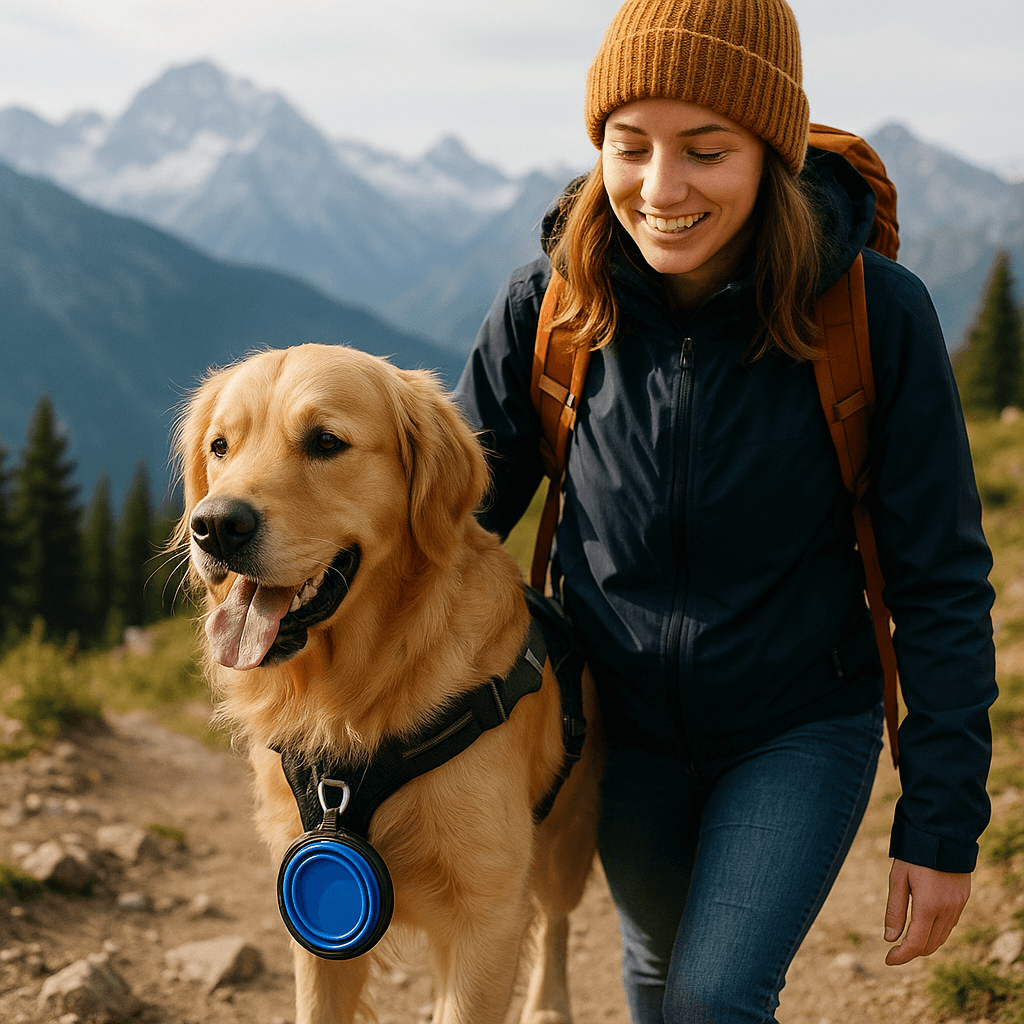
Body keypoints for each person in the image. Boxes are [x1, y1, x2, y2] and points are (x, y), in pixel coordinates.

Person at [454, 0, 998, 1020]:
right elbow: (448, 527)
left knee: (711, 997)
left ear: (771, 152)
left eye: (706, 150)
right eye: (630, 146)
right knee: (658, 976)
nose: (660, 189)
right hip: (617, 727)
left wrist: (940, 820)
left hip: (798, 723)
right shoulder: (551, 307)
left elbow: (940, 581)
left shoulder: (872, 313)